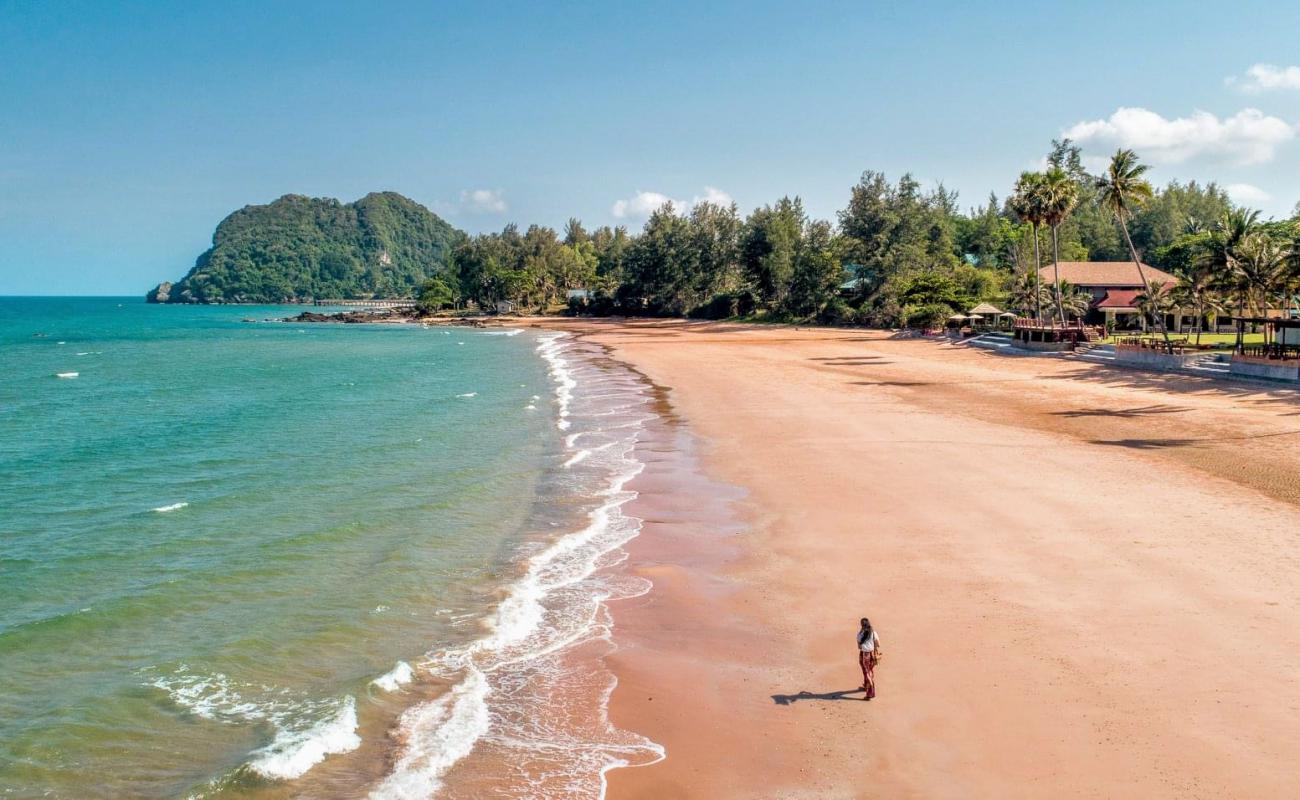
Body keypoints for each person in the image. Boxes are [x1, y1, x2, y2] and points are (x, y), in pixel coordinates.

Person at [857, 617, 882, 700]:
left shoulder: (860, 634)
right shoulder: (873, 633)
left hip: (864, 654)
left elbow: (859, 647)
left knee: (866, 672)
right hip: (872, 654)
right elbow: (878, 644)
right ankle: (866, 685)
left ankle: (870, 693)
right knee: (869, 670)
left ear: (862, 625)